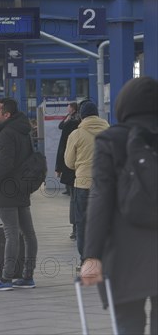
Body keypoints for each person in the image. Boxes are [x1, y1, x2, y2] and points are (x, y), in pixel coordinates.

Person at [81, 77, 158, 335]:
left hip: (125, 255)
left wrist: (91, 256)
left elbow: (100, 200)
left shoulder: (111, 140)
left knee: (128, 325)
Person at [0, 97, 38, 291]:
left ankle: (6, 278)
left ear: (7, 115)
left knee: (11, 233)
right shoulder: (23, 130)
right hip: (21, 187)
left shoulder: (6, 133)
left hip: (5, 190)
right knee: (28, 233)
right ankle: (28, 276)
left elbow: (4, 164)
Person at [64, 100, 109, 266]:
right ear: (97, 114)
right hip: (106, 184)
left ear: (81, 116)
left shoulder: (76, 134)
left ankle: (86, 260)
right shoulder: (109, 131)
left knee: (82, 223)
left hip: (83, 184)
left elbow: (69, 162)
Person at [55, 102, 80, 240]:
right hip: (95, 173)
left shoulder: (70, 124)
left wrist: (59, 167)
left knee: (74, 199)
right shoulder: (102, 127)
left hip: (73, 170)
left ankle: (76, 228)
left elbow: (62, 147)